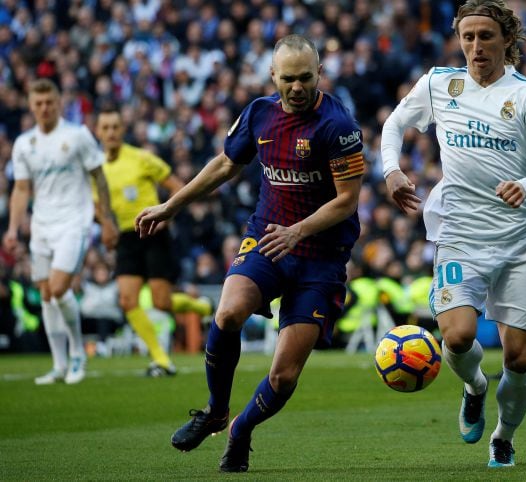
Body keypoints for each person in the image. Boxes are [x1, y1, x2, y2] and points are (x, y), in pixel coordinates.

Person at [135, 35, 363, 472]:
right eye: (289, 78)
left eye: (306, 78)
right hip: (267, 237)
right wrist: (170, 206)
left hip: (321, 255)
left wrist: (298, 231)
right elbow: (225, 164)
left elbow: (347, 200)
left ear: (320, 75)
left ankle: (240, 429)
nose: (297, 87)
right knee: (227, 314)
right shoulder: (259, 113)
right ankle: (216, 410)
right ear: (273, 76)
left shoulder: (339, 126)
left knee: (284, 376)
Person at [381, 0, 526, 468]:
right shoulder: (442, 83)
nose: (476, 46)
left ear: (506, 39)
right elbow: (395, 122)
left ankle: (503, 435)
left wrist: (524, 184)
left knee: (520, 359)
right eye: (468, 37)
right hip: (460, 234)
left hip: (519, 244)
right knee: (458, 337)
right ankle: (475, 386)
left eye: (486, 36)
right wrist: (391, 170)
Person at [2, 78, 118, 385]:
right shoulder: (24, 144)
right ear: (30, 105)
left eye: (49, 102)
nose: (44, 108)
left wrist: (105, 219)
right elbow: (21, 189)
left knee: (57, 287)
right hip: (41, 226)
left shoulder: (78, 135)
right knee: (45, 295)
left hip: (74, 223)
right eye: (38, 103)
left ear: (58, 103)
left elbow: (99, 178)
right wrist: (13, 228)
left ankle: (78, 353)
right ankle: (58, 364)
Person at [94, 106, 185, 376]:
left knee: (161, 302)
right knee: (127, 300)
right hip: (125, 237)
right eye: (105, 127)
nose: (110, 132)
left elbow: (178, 187)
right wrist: (105, 226)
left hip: (153, 232)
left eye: (115, 127)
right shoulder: (96, 169)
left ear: (123, 130)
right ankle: (161, 359)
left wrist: (167, 216)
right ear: (98, 132)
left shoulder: (142, 158)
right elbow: (98, 205)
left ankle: (197, 305)